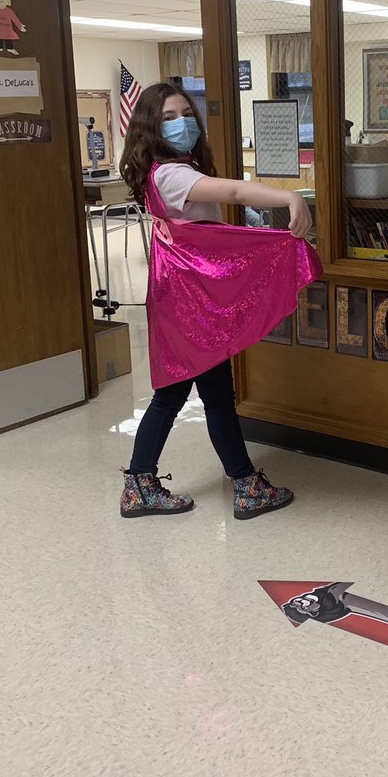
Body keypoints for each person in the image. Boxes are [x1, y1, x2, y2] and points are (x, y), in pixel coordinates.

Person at [117, 82, 319, 521]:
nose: (181, 122)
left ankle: (171, 483)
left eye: (186, 113)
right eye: (169, 116)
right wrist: (290, 196)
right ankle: (235, 485)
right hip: (189, 302)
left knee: (191, 393)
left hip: (181, 297)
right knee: (194, 395)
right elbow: (232, 193)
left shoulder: (165, 170)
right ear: (151, 127)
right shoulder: (173, 174)